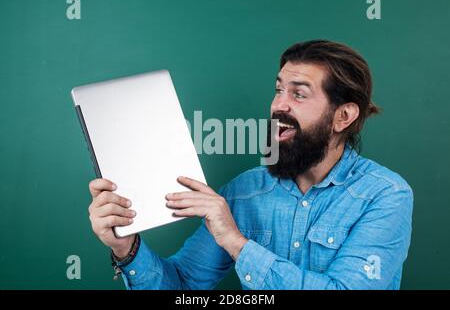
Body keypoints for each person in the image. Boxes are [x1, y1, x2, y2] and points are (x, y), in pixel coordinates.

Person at [87, 40, 413, 290]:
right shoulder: (243, 192)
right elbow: (183, 286)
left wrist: (236, 242)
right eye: (278, 90)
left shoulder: (385, 196)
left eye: (299, 95)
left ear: (343, 116)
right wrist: (126, 247)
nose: (278, 105)